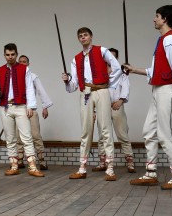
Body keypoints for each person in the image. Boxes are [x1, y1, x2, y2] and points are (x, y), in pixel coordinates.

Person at [125, 5, 172, 189]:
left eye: (157, 16)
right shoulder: (163, 39)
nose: (154, 19)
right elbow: (156, 70)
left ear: (165, 19)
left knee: (165, 134)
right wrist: (134, 69)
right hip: (158, 90)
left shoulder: (170, 39)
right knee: (149, 131)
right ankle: (151, 173)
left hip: (167, 90)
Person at [61, 27, 122, 181]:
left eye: (85, 35)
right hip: (86, 92)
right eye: (80, 36)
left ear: (91, 36)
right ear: (78, 39)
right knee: (86, 130)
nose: (83, 38)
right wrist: (68, 80)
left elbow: (116, 67)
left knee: (105, 128)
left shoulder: (102, 50)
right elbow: (74, 84)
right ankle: (82, 168)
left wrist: (109, 83)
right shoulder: (75, 59)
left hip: (101, 90)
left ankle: (110, 168)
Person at [0, 43, 44, 177]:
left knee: (26, 137)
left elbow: (29, 87)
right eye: (7, 55)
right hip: (5, 107)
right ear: (4, 55)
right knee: (10, 138)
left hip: (21, 106)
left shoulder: (24, 69)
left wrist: (30, 106)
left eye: (12, 54)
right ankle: (14, 165)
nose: (10, 57)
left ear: (16, 54)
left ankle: (32, 166)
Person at [92, 48, 135, 173]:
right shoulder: (99, 73)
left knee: (122, 134)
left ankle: (130, 162)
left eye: (114, 56)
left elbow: (126, 87)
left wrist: (121, 101)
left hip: (116, 105)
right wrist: (94, 110)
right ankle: (102, 162)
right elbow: (95, 92)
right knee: (102, 135)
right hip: (102, 106)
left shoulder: (122, 73)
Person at [16, 55, 53, 170]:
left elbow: (41, 91)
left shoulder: (33, 77)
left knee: (36, 135)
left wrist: (45, 107)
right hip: (18, 110)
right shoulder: (14, 76)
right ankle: (20, 159)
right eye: (20, 62)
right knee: (19, 136)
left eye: (25, 62)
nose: (22, 63)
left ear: (28, 64)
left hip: (31, 110)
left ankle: (41, 161)